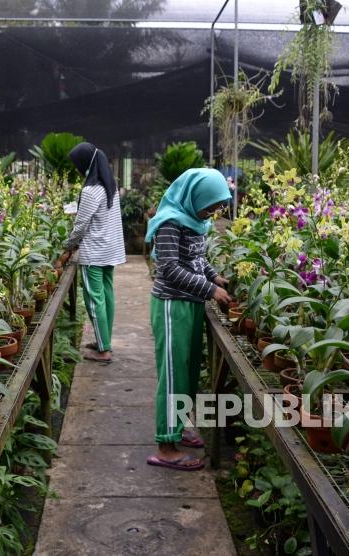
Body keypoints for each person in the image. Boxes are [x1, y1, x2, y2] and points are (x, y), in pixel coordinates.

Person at [144, 168, 233, 471]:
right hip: (172, 306)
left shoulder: (196, 221)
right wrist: (210, 289)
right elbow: (168, 268)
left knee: (189, 371)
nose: (213, 212)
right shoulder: (170, 223)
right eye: (209, 205)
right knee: (173, 374)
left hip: (191, 304)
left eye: (217, 207)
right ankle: (165, 445)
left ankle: (178, 427)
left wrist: (214, 276)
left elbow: (196, 259)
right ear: (192, 197)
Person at [61, 142, 126, 364]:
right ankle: (103, 341)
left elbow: (80, 226)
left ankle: (104, 350)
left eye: (77, 164)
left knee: (93, 299)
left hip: (94, 252)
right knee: (106, 295)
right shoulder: (110, 187)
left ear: (85, 164)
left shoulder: (90, 190)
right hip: (110, 249)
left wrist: (67, 247)